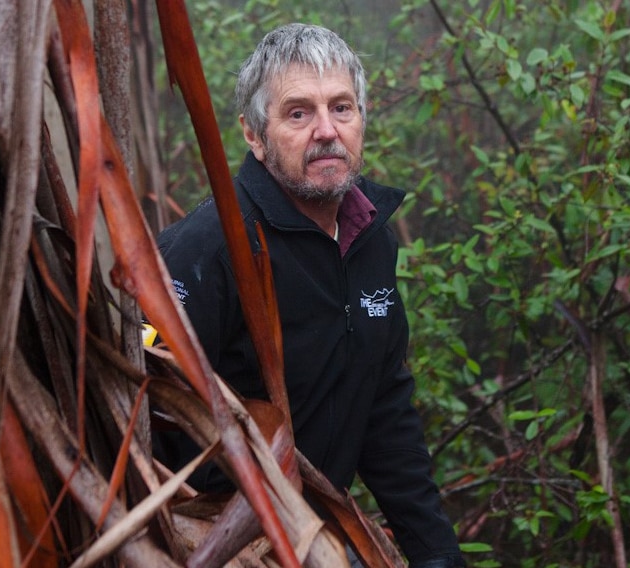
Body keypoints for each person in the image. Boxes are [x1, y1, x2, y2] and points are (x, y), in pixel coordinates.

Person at [154, 23, 466, 568]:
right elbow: (145, 408)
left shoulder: (371, 242)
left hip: (313, 537)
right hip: (212, 544)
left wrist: (438, 557)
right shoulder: (208, 248)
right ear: (254, 134)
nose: (327, 130)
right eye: (299, 113)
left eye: (342, 108)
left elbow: (385, 412)